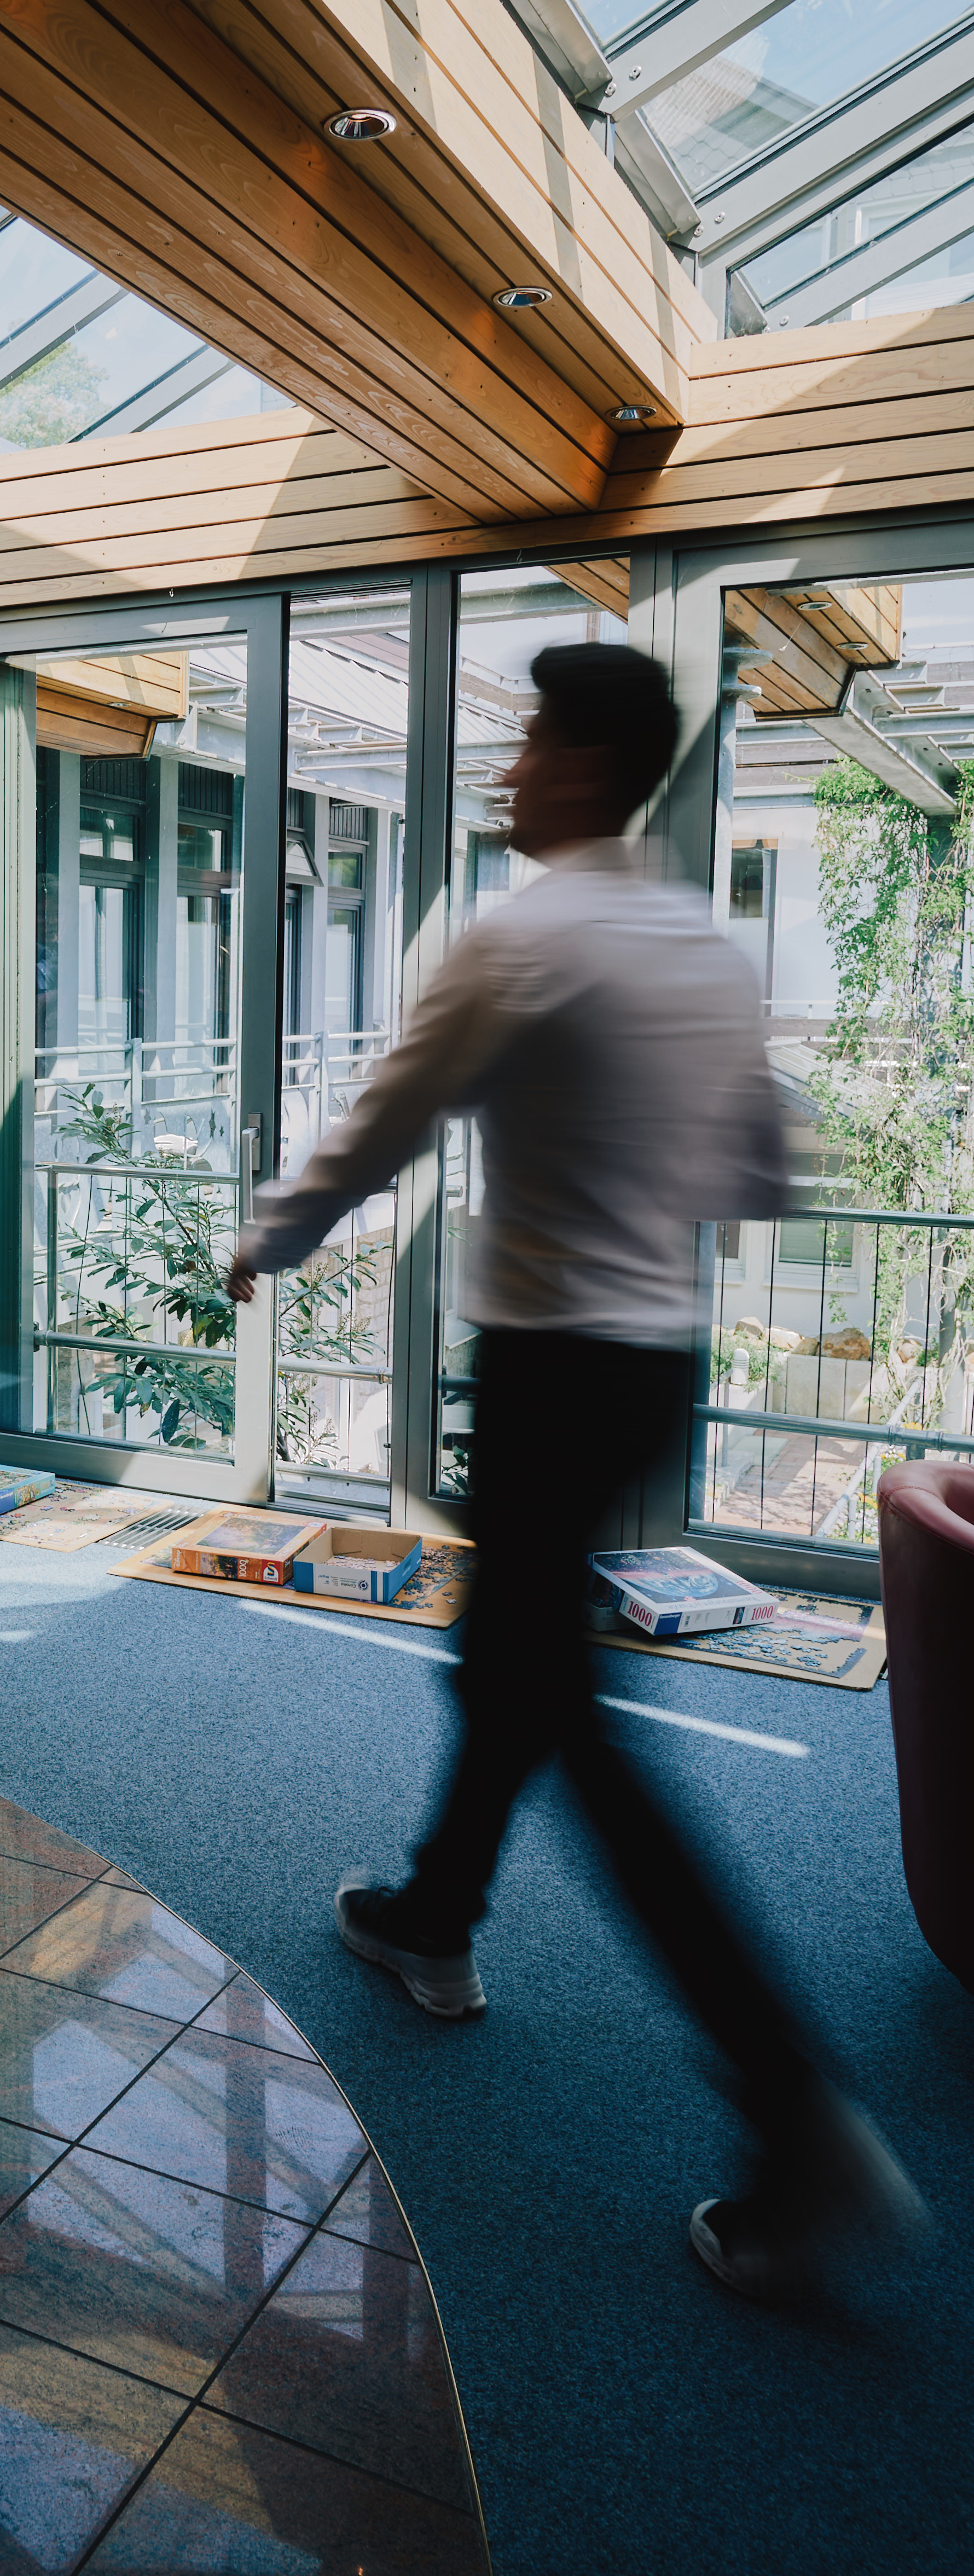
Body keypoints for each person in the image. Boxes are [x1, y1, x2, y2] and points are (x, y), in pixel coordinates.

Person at [229, 643, 921, 2303]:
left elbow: (383, 1119)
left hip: (546, 1361)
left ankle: (796, 2112)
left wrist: (270, 1239)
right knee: (514, 1665)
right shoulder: (702, 942)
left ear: (592, 762)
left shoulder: (522, 932)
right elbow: (759, 1157)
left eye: (532, 737)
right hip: (653, 1364)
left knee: (578, 1728)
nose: (511, 765)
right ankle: (431, 1912)